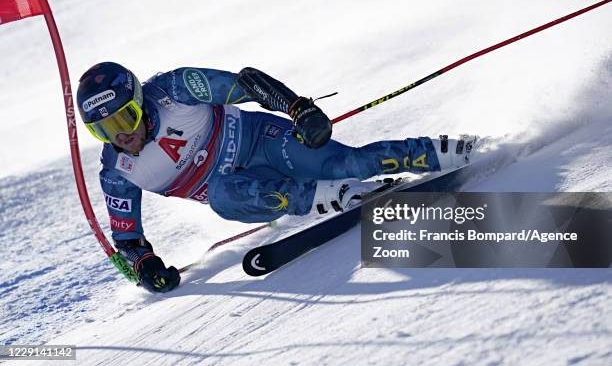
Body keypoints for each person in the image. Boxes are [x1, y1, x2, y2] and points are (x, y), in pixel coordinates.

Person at [76, 62, 476, 293]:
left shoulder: (174, 89)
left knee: (346, 164)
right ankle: (341, 197)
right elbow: (127, 240)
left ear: (140, 102)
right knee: (222, 194)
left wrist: (299, 110)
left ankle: (453, 151)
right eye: (104, 130)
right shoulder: (117, 173)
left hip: (263, 141)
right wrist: (146, 267)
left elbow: (247, 82)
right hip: (243, 190)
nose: (121, 135)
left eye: (124, 118)